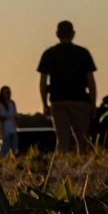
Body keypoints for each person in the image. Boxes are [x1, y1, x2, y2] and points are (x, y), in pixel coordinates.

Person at [37, 21, 97, 152]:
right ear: (73, 34)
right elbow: (91, 82)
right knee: (83, 140)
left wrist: (44, 103)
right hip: (80, 100)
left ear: (57, 34)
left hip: (58, 100)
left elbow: (42, 82)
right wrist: (93, 103)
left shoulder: (49, 53)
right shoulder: (83, 53)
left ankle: (62, 169)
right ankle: (84, 168)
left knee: (62, 140)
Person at [0, 86, 18, 158]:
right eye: (5, 93)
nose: (7, 94)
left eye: (8, 92)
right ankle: (1, 159)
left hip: (13, 128)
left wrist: (16, 120)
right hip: (4, 128)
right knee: (4, 146)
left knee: (14, 146)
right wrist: (7, 118)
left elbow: (15, 115)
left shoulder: (12, 103)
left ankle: (12, 160)